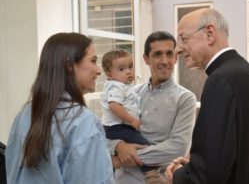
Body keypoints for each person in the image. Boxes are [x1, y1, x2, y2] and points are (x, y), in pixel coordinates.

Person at [166, 8, 249, 184]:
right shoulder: (246, 73)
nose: (177, 49)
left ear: (209, 34)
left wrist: (178, 175)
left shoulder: (220, 81)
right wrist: (192, 167)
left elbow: (209, 174)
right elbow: (234, 155)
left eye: (183, 39)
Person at [5, 32, 114, 184]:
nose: (98, 70)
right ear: (69, 65)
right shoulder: (83, 122)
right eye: (93, 61)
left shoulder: (24, 114)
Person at [108, 31, 197, 184]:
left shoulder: (185, 99)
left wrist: (123, 157)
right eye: (157, 54)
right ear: (146, 59)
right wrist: (118, 145)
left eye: (169, 54)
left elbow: (177, 147)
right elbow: (109, 130)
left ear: (175, 58)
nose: (165, 60)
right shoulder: (131, 93)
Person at [100, 49, 161, 182]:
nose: (128, 71)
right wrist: (132, 120)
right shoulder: (116, 86)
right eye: (121, 69)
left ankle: (115, 161)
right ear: (109, 74)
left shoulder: (125, 86)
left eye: (130, 66)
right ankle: (152, 175)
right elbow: (114, 106)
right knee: (144, 145)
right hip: (117, 127)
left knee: (137, 145)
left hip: (118, 127)